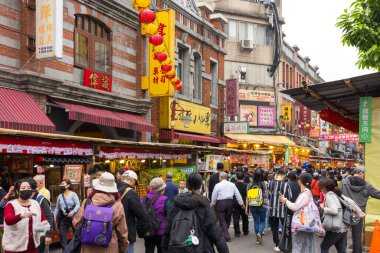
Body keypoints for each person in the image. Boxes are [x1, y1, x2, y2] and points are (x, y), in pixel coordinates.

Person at [161, 172, 229, 253]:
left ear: (187, 184)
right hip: (201, 248)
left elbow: (168, 230)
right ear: (200, 186)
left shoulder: (175, 204)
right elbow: (217, 236)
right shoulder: (204, 205)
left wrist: (164, 249)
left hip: (176, 248)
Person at [73, 172, 129, 253]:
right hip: (110, 247)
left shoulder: (87, 202)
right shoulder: (118, 206)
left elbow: (76, 222)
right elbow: (122, 233)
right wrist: (123, 249)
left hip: (87, 247)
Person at [2, 178, 50, 253]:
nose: (26, 190)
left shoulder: (35, 204)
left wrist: (43, 229)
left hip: (32, 246)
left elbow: (43, 220)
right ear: (18, 191)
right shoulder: (11, 205)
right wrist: (21, 216)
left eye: (28, 188)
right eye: (23, 188)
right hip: (15, 246)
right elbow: (8, 220)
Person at [340, 165, 380, 253]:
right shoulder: (366, 185)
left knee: (343, 234)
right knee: (357, 236)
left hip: (345, 212)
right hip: (359, 213)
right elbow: (378, 194)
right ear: (361, 173)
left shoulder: (344, 182)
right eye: (364, 173)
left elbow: (339, 195)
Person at [318, 178, 365, 253]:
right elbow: (350, 201)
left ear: (323, 188)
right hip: (343, 227)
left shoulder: (329, 196)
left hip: (336, 228)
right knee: (341, 250)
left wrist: (324, 208)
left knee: (324, 246)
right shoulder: (337, 193)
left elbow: (334, 210)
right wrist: (359, 212)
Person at [279, 172, 318, 253]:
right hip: (306, 224)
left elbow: (295, 206)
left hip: (302, 225)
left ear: (300, 182)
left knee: (298, 246)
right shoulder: (308, 192)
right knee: (305, 246)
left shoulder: (305, 193)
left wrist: (285, 200)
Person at [119, 170, 150, 253]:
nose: (134, 185)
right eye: (134, 183)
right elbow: (141, 214)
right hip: (127, 230)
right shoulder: (131, 192)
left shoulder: (114, 189)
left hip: (113, 230)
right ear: (132, 180)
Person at [211, 172, 245, 242]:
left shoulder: (217, 185)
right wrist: (241, 203)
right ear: (226, 177)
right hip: (230, 202)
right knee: (228, 218)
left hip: (220, 203)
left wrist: (212, 203)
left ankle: (226, 236)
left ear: (220, 177)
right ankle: (224, 233)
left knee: (222, 219)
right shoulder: (232, 184)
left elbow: (214, 196)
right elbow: (237, 194)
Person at [143, 177, 171, 253]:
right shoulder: (165, 199)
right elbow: (170, 215)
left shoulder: (144, 198)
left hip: (148, 230)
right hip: (161, 231)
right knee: (162, 250)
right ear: (161, 190)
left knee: (149, 250)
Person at [268, 169, 292, 252]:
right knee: (285, 228)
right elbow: (289, 197)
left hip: (272, 209)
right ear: (283, 175)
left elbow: (268, 196)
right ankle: (286, 245)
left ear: (276, 174)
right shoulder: (286, 185)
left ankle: (277, 245)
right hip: (283, 210)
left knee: (274, 228)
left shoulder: (270, 183)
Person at [29, 178, 54, 253]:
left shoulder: (41, 199)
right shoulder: (26, 199)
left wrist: (48, 234)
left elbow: (49, 216)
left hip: (41, 232)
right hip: (31, 234)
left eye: (27, 187)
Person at [54, 179, 80, 250]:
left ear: (68, 185)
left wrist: (73, 211)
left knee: (77, 233)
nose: (62, 185)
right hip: (63, 217)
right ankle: (65, 250)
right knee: (62, 235)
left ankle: (77, 249)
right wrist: (54, 217)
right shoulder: (60, 196)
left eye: (63, 184)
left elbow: (78, 204)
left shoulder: (73, 194)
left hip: (72, 217)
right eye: (61, 184)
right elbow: (57, 208)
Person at [246, 170, 266, 244]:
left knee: (256, 221)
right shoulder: (263, 184)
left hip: (252, 205)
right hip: (261, 204)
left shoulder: (249, 184)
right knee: (263, 220)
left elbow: (247, 196)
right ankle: (260, 232)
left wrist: (246, 207)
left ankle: (257, 238)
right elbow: (266, 194)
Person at [233, 173, 249, 237]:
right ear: (244, 178)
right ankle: (245, 230)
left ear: (236, 177)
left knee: (236, 218)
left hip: (235, 203)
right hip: (244, 203)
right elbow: (248, 196)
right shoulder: (246, 185)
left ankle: (237, 232)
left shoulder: (233, 185)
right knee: (245, 217)